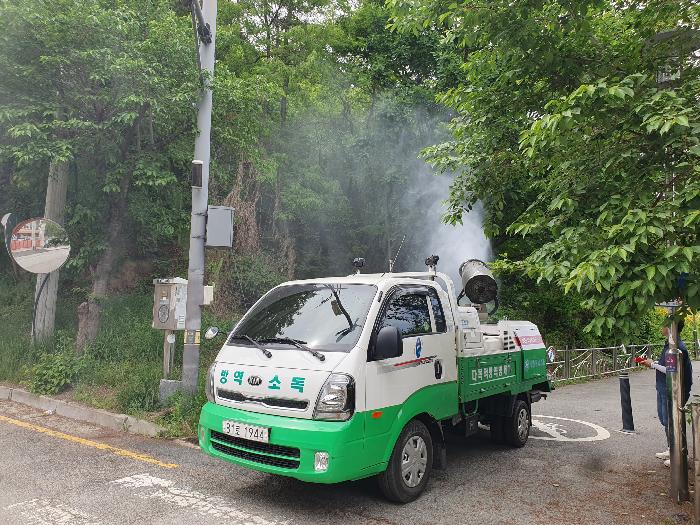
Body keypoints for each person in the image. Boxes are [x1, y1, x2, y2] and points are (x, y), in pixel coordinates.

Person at [642, 318, 692, 467]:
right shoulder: (670, 345)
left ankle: (680, 454)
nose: (661, 327)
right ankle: (672, 449)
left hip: (673, 389)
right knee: (666, 420)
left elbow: (671, 371)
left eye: (664, 324)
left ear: (671, 328)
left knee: (673, 421)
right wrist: (654, 364)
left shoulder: (678, 347)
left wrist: (652, 365)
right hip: (665, 387)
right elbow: (668, 367)